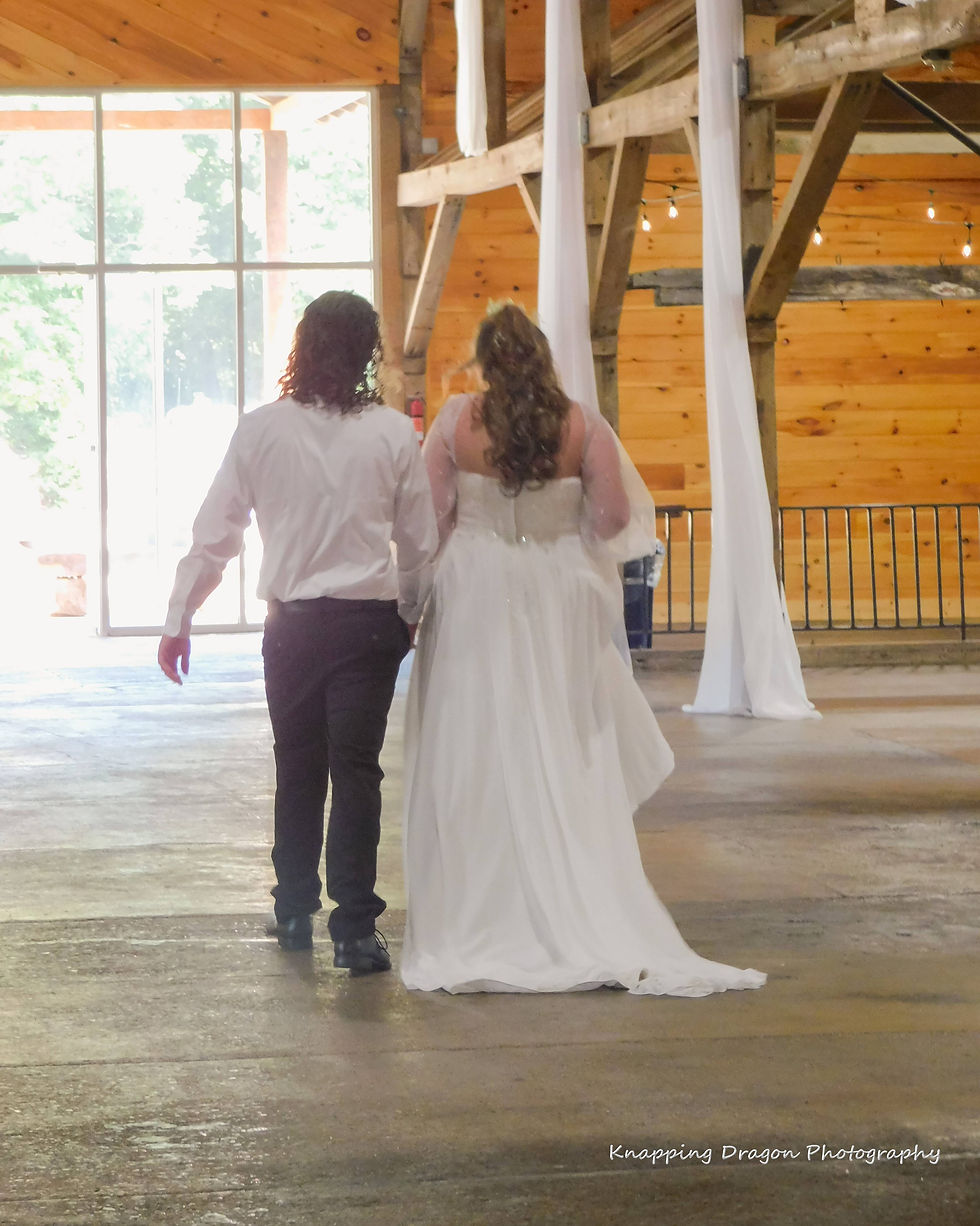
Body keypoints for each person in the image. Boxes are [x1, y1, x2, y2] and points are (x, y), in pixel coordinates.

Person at [400, 304, 765, 996]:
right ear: (540, 356)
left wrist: (412, 600)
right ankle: (576, 889)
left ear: (485, 359)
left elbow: (430, 518)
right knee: (563, 735)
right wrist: (564, 534)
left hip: (475, 587)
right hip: (558, 592)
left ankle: (481, 902)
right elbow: (615, 518)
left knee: (473, 736)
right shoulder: (579, 424)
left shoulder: (456, 422)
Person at [158, 291, 438, 971]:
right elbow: (421, 545)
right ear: (369, 350)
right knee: (357, 771)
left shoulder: (260, 430)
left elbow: (214, 534)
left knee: (299, 767)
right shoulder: (394, 433)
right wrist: (411, 614)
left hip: (292, 628)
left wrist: (179, 617)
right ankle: (354, 929)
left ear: (303, 346)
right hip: (369, 626)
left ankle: (291, 909)